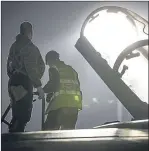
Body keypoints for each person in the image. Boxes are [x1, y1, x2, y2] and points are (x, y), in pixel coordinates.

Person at [7, 22, 45, 132]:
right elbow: (31, 67)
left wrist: (14, 79)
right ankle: (16, 145)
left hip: (13, 82)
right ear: (30, 32)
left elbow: (8, 67)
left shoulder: (14, 46)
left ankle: (12, 140)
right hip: (24, 82)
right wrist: (38, 86)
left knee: (17, 114)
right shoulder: (29, 47)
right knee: (23, 115)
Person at [43, 50, 82, 130]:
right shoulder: (71, 70)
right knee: (68, 134)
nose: (49, 65)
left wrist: (42, 90)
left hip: (60, 105)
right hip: (74, 106)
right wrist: (50, 95)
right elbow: (67, 85)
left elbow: (53, 83)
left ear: (50, 60)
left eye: (48, 63)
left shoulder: (54, 68)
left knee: (48, 131)